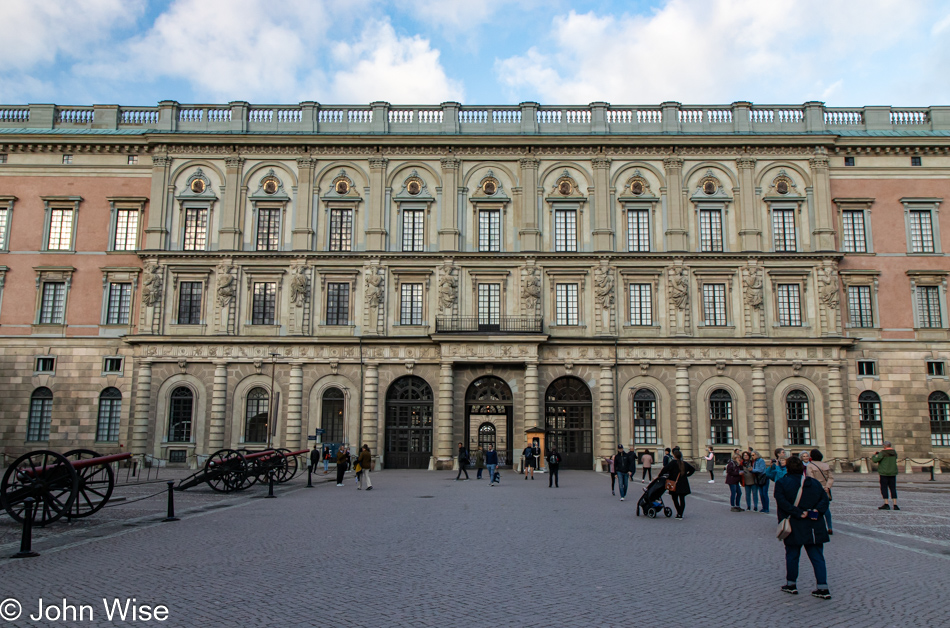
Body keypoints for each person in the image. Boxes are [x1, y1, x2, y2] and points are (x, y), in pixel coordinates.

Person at [774, 455, 831, 599]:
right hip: (814, 524)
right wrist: (817, 511)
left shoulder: (782, 483)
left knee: (792, 556)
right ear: (802, 468)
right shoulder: (814, 483)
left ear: (787, 468)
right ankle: (823, 587)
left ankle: (791, 584)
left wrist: (799, 513)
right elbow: (824, 500)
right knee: (817, 557)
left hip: (795, 523)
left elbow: (782, 503)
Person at [661, 449, 695, 519]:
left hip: (674, 483)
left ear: (674, 456)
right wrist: (687, 475)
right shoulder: (684, 463)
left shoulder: (673, 463)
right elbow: (692, 469)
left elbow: (664, 469)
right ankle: (680, 513)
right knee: (682, 499)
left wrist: (659, 476)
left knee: (675, 499)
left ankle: (679, 512)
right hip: (683, 483)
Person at [806, 449, 834, 534]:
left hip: (816, 489)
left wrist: (820, 487)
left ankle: (813, 526)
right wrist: (827, 487)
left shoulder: (810, 466)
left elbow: (811, 478)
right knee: (826, 508)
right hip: (826, 489)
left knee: (813, 507)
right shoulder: (826, 465)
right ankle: (829, 526)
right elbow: (831, 478)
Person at [872, 441, 899, 510]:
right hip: (892, 472)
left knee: (884, 488)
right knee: (893, 488)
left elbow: (875, 460)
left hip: (884, 472)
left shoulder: (882, 453)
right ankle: (895, 504)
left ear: (884, 445)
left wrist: (874, 455)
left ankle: (886, 503)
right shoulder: (894, 452)